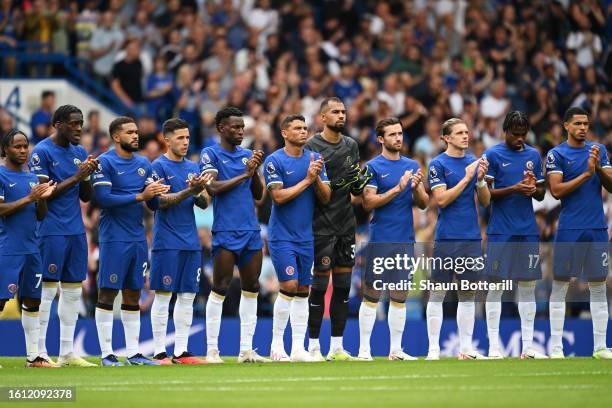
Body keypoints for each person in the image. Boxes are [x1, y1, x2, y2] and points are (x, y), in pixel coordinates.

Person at [92, 116, 169, 366]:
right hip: (114, 238)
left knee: (133, 293)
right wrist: (140, 195)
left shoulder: (144, 163)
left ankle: (134, 353)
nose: (136, 136)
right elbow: (103, 199)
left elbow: (152, 203)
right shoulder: (105, 162)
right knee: (107, 293)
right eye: (130, 132)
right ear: (116, 137)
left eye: (136, 132)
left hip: (137, 237)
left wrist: (156, 193)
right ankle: (106, 354)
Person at [29, 105, 99, 367]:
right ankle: (39, 351)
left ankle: (67, 352)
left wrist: (86, 176)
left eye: (80, 123)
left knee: (71, 292)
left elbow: (86, 196)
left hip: (75, 230)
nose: (79, 128)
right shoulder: (42, 152)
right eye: (73, 123)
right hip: (50, 230)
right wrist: (76, 175)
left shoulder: (79, 152)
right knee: (47, 292)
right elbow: (43, 194)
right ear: (57, 124)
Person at [305, 97, 371, 361]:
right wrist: (342, 181)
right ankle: (311, 346)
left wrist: (358, 183)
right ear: (322, 117)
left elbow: (353, 190)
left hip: (346, 224)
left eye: (343, 111)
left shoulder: (351, 145)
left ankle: (337, 346)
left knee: (343, 287)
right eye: (335, 112)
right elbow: (316, 189)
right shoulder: (311, 146)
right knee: (319, 287)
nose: (341, 115)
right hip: (320, 225)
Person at [200, 107, 267, 363]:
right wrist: (244, 174)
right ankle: (212, 350)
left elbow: (259, 194)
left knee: (252, 288)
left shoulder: (247, 155)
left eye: (242, 127)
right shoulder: (211, 153)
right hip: (226, 231)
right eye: (235, 127)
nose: (241, 131)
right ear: (221, 128)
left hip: (250, 230)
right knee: (220, 288)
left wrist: (255, 171)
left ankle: (246, 350)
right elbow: (212, 187)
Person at [358, 117, 428, 361]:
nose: (398, 138)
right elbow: (368, 202)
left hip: (405, 240)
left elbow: (424, 204)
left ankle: (396, 350)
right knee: (372, 294)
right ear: (380, 139)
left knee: (400, 295)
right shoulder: (372, 167)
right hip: (380, 239)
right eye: (392, 134)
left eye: (400, 133)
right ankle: (364, 350)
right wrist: (397, 189)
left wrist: (417, 188)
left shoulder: (412, 165)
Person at [546, 107, 612, 359]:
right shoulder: (556, 154)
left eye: (586, 123)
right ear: (566, 126)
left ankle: (600, 347)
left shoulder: (598, 150)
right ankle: (556, 347)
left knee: (598, 286)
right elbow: (556, 191)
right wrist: (586, 173)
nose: (583, 127)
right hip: (570, 227)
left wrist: (599, 168)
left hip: (596, 226)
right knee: (561, 284)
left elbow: (611, 185)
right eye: (577, 123)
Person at [264, 114, 331, 362]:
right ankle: (276, 345)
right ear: (284, 133)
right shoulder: (274, 160)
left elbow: (326, 197)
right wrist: (307, 180)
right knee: (289, 286)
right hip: (282, 236)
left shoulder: (315, 160)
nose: (304, 132)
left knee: (304, 289)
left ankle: (298, 349)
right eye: (298, 128)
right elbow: (278, 197)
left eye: (305, 128)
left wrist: (315, 180)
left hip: (305, 236)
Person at [483, 111, 547, 359]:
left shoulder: (533, 155)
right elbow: (486, 197)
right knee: (496, 286)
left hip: (527, 230)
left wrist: (532, 188)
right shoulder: (493, 155)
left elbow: (541, 194)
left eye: (523, 134)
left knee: (528, 286)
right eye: (515, 134)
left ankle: (528, 347)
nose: (520, 139)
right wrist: (513, 188)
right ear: (505, 131)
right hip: (501, 230)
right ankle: (494, 347)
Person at [149, 118, 212, 365]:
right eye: (180, 138)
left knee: (187, 296)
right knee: (164, 295)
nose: (185, 142)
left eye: (187, 138)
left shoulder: (193, 167)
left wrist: (197, 190)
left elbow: (205, 202)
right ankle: (158, 351)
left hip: (190, 241)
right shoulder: (158, 167)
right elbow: (161, 202)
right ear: (166, 139)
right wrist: (189, 191)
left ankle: (181, 351)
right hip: (167, 240)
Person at [426, 118, 490, 360]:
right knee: (438, 292)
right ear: (447, 137)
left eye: (467, 131)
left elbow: (485, 201)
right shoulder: (438, 164)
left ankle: (466, 348)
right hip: (447, 238)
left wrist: (481, 180)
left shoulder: (475, 162)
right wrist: (466, 178)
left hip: (471, 237)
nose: (466, 136)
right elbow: (441, 200)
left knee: (468, 293)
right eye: (460, 132)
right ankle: (433, 349)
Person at [0, 130, 57, 367]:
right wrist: (29, 198)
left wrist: (42, 197)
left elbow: (40, 215)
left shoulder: (33, 178)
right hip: (8, 249)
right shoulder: (1, 175)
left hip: (32, 249)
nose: (23, 151)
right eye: (17, 147)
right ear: (5, 149)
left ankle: (34, 356)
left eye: (25, 147)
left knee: (33, 301)